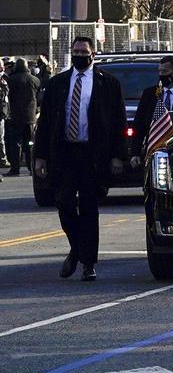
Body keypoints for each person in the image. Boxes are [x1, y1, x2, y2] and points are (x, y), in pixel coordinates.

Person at [33, 37, 128, 281]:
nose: (79, 55)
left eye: (83, 51)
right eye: (75, 51)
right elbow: (45, 123)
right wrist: (40, 157)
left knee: (88, 208)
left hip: (92, 154)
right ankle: (77, 249)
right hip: (64, 153)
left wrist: (118, 155)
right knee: (63, 202)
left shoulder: (108, 83)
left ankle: (88, 263)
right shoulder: (58, 83)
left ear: (93, 54)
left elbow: (118, 122)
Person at [130, 56, 173, 170]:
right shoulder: (150, 94)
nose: (161, 75)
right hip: (155, 148)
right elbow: (139, 124)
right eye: (160, 71)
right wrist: (135, 153)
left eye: (165, 71)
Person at [4, 58, 40, 176]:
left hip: (15, 116)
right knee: (30, 143)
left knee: (16, 144)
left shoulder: (11, 80)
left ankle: (15, 168)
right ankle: (31, 167)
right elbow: (39, 97)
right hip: (31, 116)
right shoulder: (35, 80)